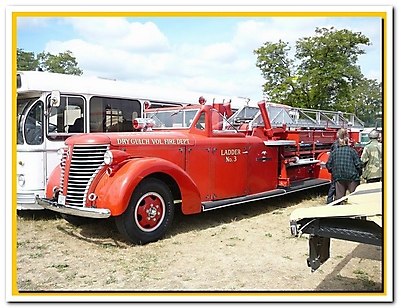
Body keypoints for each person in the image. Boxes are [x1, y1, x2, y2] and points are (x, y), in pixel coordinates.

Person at [326, 130, 363, 203]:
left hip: (338, 177)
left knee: (339, 199)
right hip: (352, 177)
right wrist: (359, 173)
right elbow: (359, 164)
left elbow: (328, 165)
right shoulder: (352, 151)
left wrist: (334, 172)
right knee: (355, 198)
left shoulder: (334, 152)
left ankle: (338, 212)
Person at [326, 128, 347, 204]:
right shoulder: (337, 145)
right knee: (335, 185)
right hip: (338, 167)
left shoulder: (336, 144)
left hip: (336, 167)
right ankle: (330, 200)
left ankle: (333, 199)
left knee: (335, 184)